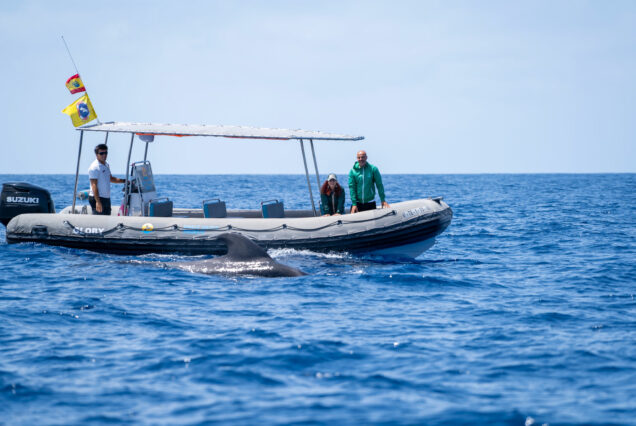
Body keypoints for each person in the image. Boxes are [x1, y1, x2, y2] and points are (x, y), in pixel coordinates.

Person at [88, 144, 126, 215]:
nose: (104, 155)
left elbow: (110, 178)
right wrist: (98, 202)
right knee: (99, 221)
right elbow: (94, 185)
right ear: (96, 155)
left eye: (106, 153)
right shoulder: (94, 167)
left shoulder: (106, 164)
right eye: (101, 153)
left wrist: (124, 181)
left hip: (106, 197)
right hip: (97, 198)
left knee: (107, 217)